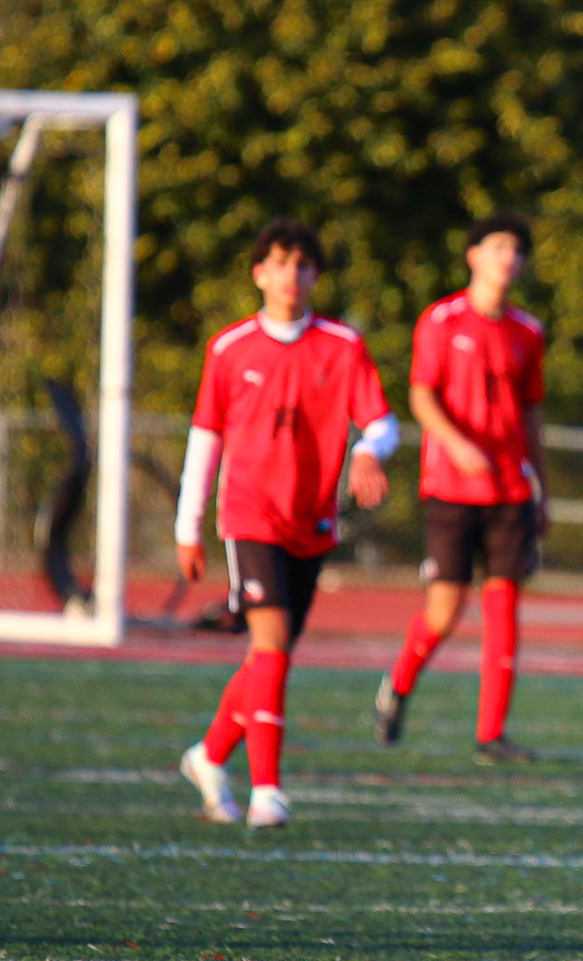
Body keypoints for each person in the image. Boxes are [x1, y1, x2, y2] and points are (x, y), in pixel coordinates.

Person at [174, 218, 399, 827]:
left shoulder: (343, 346)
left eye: (302, 264)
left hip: (312, 521)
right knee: (270, 645)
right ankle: (267, 790)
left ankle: (208, 755)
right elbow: (205, 438)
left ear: (316, 275)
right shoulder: (229, 349)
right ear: (259, 273)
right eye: (279, 262)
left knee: (268, 659)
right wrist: (188, 526)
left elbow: (383, 422)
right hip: (249, 515)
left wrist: (368, 451)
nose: (291, 275)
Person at [374, 213, 550, 764]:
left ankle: (490, 735)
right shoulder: (441, 320)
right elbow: (421, 395)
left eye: (516, 250)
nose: (508, 258)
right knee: (444, 613)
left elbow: (531, 413)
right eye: (498, 246)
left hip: (511, 491)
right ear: (473, 255)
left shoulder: (528, 331)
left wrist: (541, 487)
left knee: (504, 611)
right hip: (452, 489)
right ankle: (397, 684)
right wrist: (456, 444)